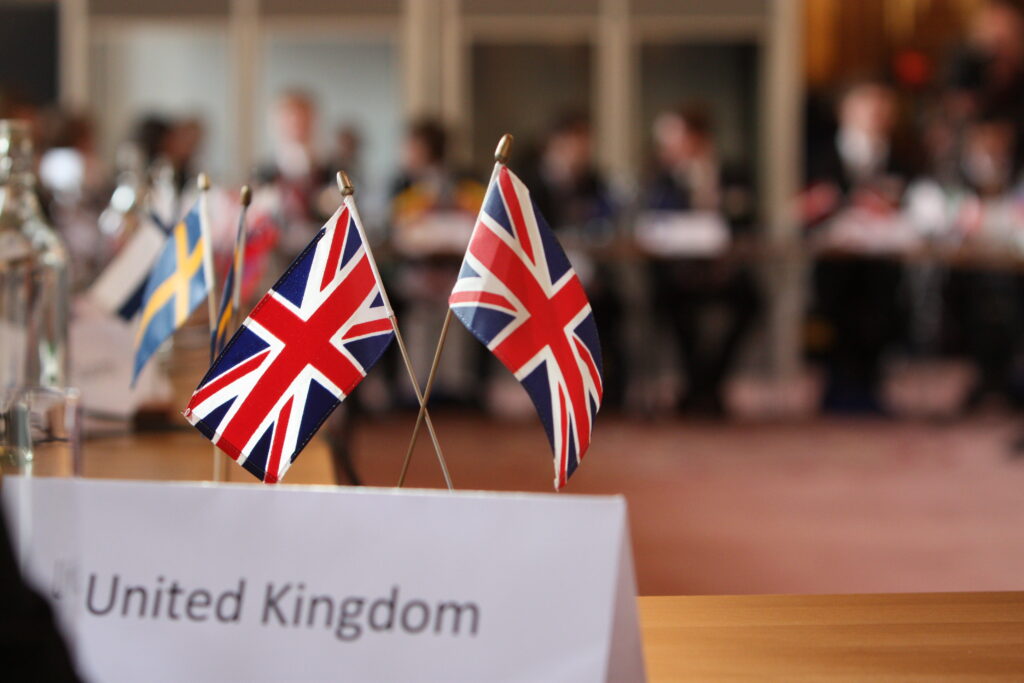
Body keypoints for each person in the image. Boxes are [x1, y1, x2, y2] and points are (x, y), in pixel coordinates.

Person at [641, 104, 760, 416]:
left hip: (725, 270)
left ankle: (707, 383)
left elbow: (748, 221)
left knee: (752, 302)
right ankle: (699, 387)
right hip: (680, 273)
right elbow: (653, 225)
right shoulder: (662, 179)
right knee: (670, 305)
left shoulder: (732, 172)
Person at [804, 80, 913, 414]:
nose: (876, 114)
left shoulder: (901, 156)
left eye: (883, 106)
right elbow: (805, 204)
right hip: (836, 258)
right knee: (839, 317)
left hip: (882, 257)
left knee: (881, 315)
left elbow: (913, 204)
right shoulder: (819, 154)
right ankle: (839, 386)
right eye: (868, 105)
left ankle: (868, 386)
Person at [520, 113, 625, 405]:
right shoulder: (528, 180)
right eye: (573, 144)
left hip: (590, 272)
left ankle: (609, 391)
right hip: (542, 277)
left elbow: (609, 220)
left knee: (612, 304)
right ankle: (553, 392)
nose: (580, 152)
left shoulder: (594, 181)